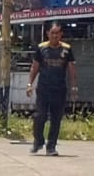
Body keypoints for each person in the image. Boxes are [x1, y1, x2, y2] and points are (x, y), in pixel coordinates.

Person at [27, 22, 78, 156]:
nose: (55, 36)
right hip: (44, 89)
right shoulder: (41, 48)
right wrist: (29, 84)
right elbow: (35, 67)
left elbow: (72, 69)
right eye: (52, 33)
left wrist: (74, 87)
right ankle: (38, 141)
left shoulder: (67, 49)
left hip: (59, 89)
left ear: (61, 34)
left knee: (56, 119)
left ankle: (51, 146)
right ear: (47, 34)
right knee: (40, 116)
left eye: (57, 33)